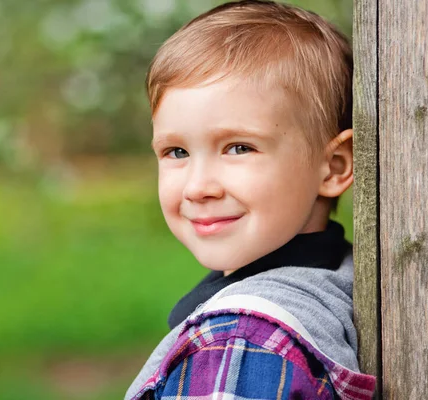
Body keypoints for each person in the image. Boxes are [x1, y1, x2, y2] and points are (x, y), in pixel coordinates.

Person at [125, 1, 376, 398]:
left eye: (239, 147)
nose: (197, 187)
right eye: (177, 152)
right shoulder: (341, 278)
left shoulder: (236, 347)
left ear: (333, 167)